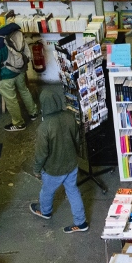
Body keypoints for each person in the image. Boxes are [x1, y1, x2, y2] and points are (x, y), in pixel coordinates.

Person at [29, 87, 89, 233]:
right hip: (71, 164)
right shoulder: (69, 116)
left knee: (47, 192)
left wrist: (36, 170)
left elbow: (41, 153)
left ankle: (45, 211)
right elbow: (77, 139)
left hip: (54, 169)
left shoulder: (44, 127)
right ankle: (81, 222)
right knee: (73, 191)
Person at [0, 14, 39, 132]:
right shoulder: (12, 28)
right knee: (24, 91)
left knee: (11, 100)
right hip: (20, 68)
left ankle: (19, 123)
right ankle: (33, 113)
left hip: (6, 75)